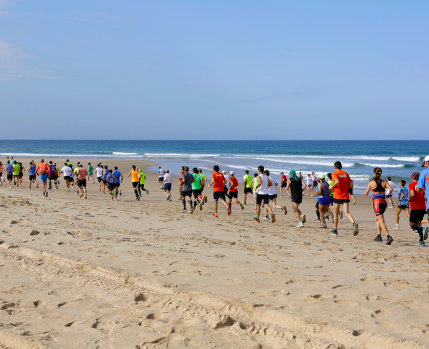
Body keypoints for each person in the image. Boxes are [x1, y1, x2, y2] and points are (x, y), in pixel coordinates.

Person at [364, 167, 394, 245]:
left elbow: (365, 194)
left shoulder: (371, 183)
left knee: (381, 221)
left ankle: (388, 236)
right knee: (377, 219)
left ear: (374, 173)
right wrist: (388, 195)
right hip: (384, 202)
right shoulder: (384, 182)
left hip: (377, 202)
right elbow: (390, 189)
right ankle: (379, 236)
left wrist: (369, 188)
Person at [329, 161, 359, 236]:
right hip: (345, 196)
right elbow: (351, 185)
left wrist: (332, 186)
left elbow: (337, 181)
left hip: (337, 195)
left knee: (336, 213)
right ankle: (353, 224)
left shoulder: (334, 174)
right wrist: (344, 186)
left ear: (335, 167)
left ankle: (335, 230)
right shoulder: (346, 174)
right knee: (346, 213)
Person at [409, 172, 428, 246]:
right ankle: (421, 241)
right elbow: (426, 197)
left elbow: (412, 195)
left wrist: (408, 200)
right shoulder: (423, 186)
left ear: (412, 178)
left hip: (415, 207)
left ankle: (423, 229)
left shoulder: (411, 185)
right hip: (423, 207)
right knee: (418, 224)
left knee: (412, 225)